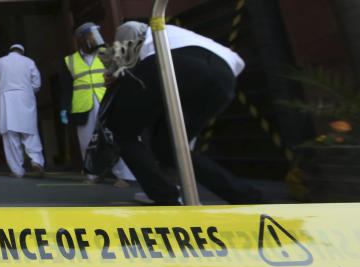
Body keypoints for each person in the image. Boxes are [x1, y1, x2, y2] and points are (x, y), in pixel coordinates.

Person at [101, 20, 265, 205]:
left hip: (171, 63)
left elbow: (128, 29)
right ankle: (248, 198)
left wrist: (113, 71)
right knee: (172, 149)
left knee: (120, 131)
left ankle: (166, 196)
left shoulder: (144, 29)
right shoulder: (184, 35)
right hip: (223, 77)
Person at [59, 22, 134, 187]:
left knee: (115, 137)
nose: (95, 38)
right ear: (81, 39)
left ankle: (124, 176)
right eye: (91, 35)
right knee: (87, 141)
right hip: (83, 105)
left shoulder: (107, 53)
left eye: (96, 34)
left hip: (107, 101)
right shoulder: (70, 60)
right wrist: (64, 107)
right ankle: (94, 173)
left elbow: (122, 75)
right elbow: (66, 88)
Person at [0, 44, 45, 178]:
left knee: (10, 135)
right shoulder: (29, 61)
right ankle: (36, 161)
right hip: (25, 98)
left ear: (10, 51)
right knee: (30, 132)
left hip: (6, 100)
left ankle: (17, 170)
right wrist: (28, 91)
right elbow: (37, 83)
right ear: (22, 52)